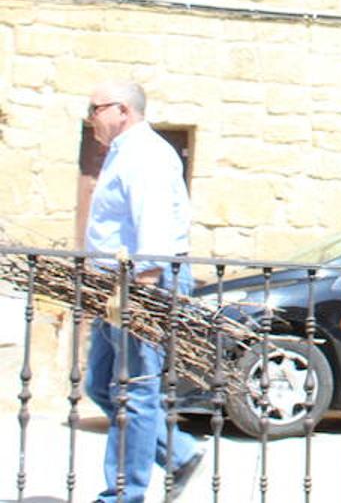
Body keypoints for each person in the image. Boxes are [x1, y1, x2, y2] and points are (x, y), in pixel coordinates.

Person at [82, 81, 203, 502]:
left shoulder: (144, 154)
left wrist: (142, 291)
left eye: (94, 108)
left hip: (137, 284)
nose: (90, 117)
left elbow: (151, 226)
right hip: (115, 286)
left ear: (122, 111)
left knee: (133, 390)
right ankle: (179, 452)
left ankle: (122, 495)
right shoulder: (124, 153)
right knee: (100, 383)